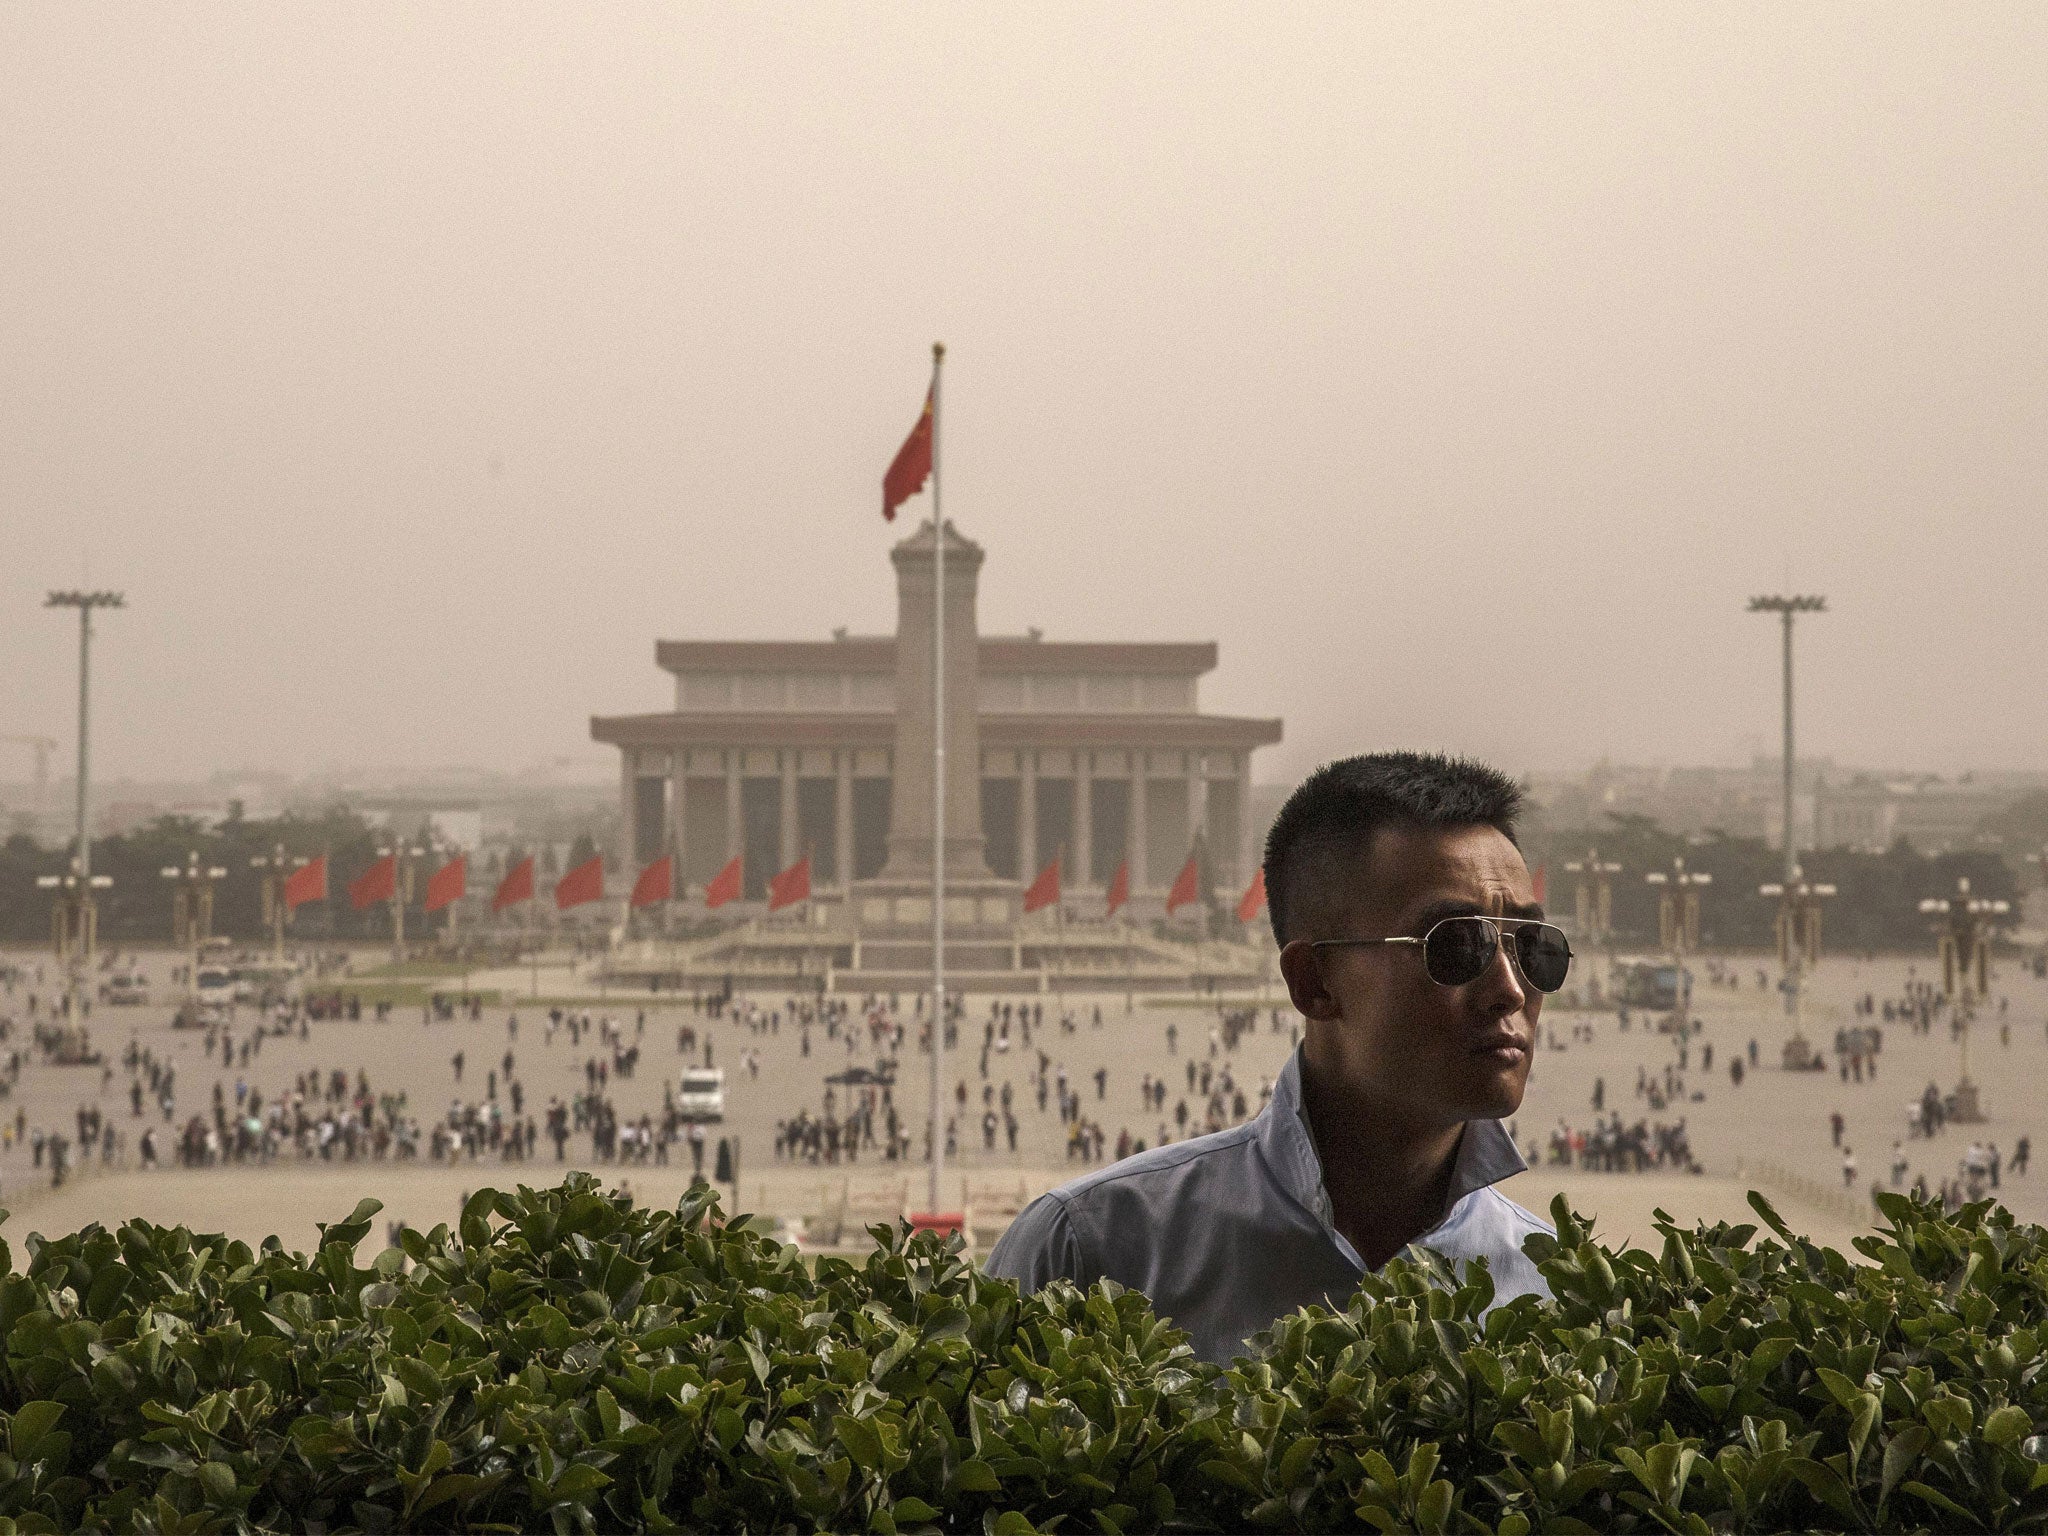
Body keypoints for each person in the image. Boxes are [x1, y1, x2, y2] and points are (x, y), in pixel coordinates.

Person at [989, 752, 1556, 1364]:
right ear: (1313, 982)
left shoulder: (1553, 1287)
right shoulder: (1093, 1250)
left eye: (1531, 946)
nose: (1511, 988)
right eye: (1456, 944)